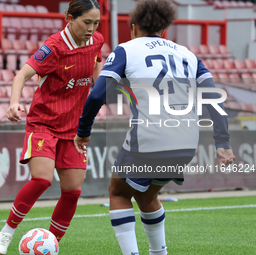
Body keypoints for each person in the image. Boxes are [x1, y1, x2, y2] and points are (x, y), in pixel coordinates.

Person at [73, 0, 236, 255]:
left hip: (151, 138)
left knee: (118, 191)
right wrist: (223, 143)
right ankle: (159, 252)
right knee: (146, 194)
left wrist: (83, 131)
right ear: (163, 30)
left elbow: (96, 96)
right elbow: (213, 99)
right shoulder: (189, 55)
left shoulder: (126, 49)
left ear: (134, 27)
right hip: (185, 143)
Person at [0, 1, 103, 254]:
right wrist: (14, 103)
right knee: (41, 179)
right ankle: (6, 234)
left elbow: (97, 61)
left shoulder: (96, 40)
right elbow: (21, 75)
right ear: (69, 18)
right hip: (44, 123)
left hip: (74, 128)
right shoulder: (54, 47)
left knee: (73, 191)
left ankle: (48, 246)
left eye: (96, 23)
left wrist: (99, 86)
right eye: (87, 22)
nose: (91, 28)